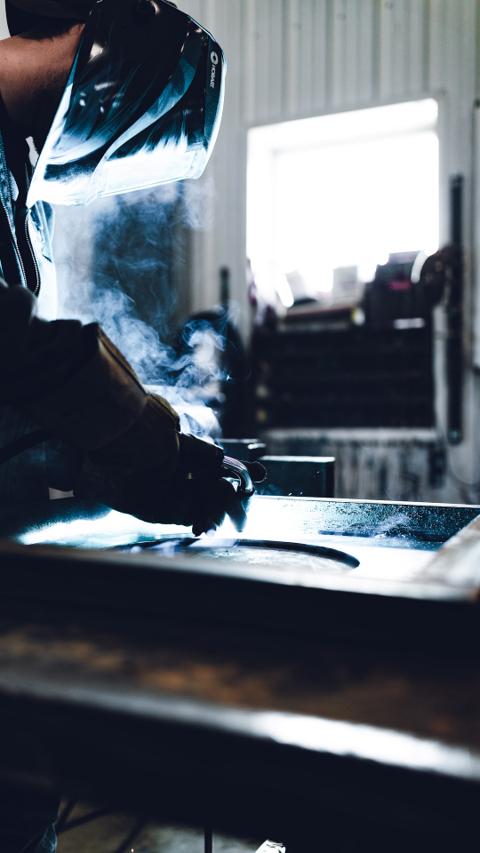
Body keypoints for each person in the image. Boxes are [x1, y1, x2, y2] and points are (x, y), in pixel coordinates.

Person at [0, 1, 235, 849]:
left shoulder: (17, 176)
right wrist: (143, 442)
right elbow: (18, 348)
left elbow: (16, 404)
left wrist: (107, 469)